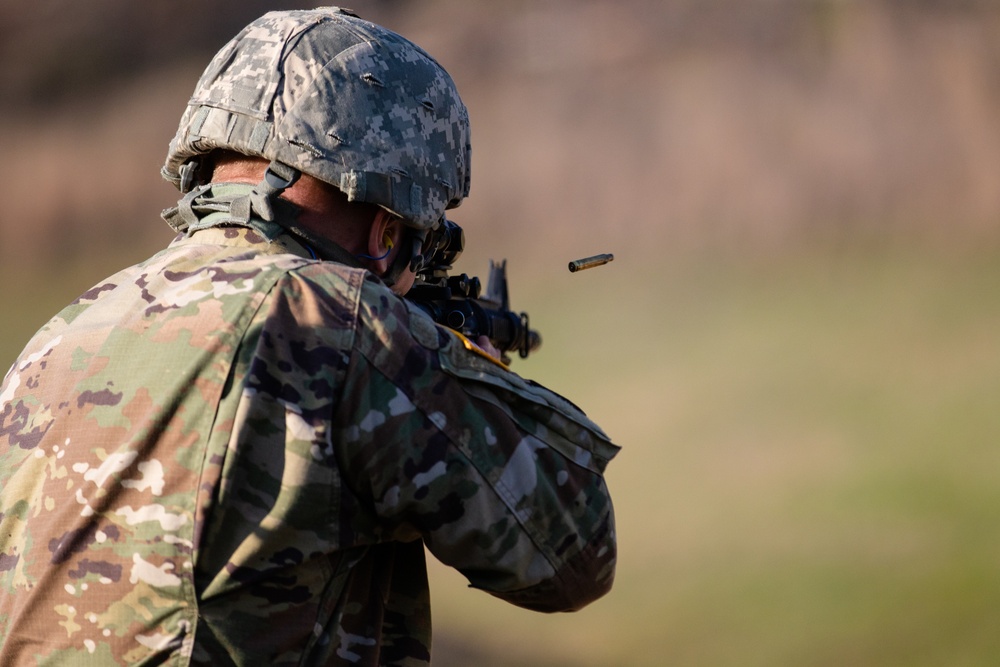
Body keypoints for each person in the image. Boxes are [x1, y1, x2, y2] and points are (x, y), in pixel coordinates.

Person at [0, 8, 618, 666]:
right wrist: (468, 372)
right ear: (388, 230)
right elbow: (575, 552)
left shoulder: (61, 334)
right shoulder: (347, 327)